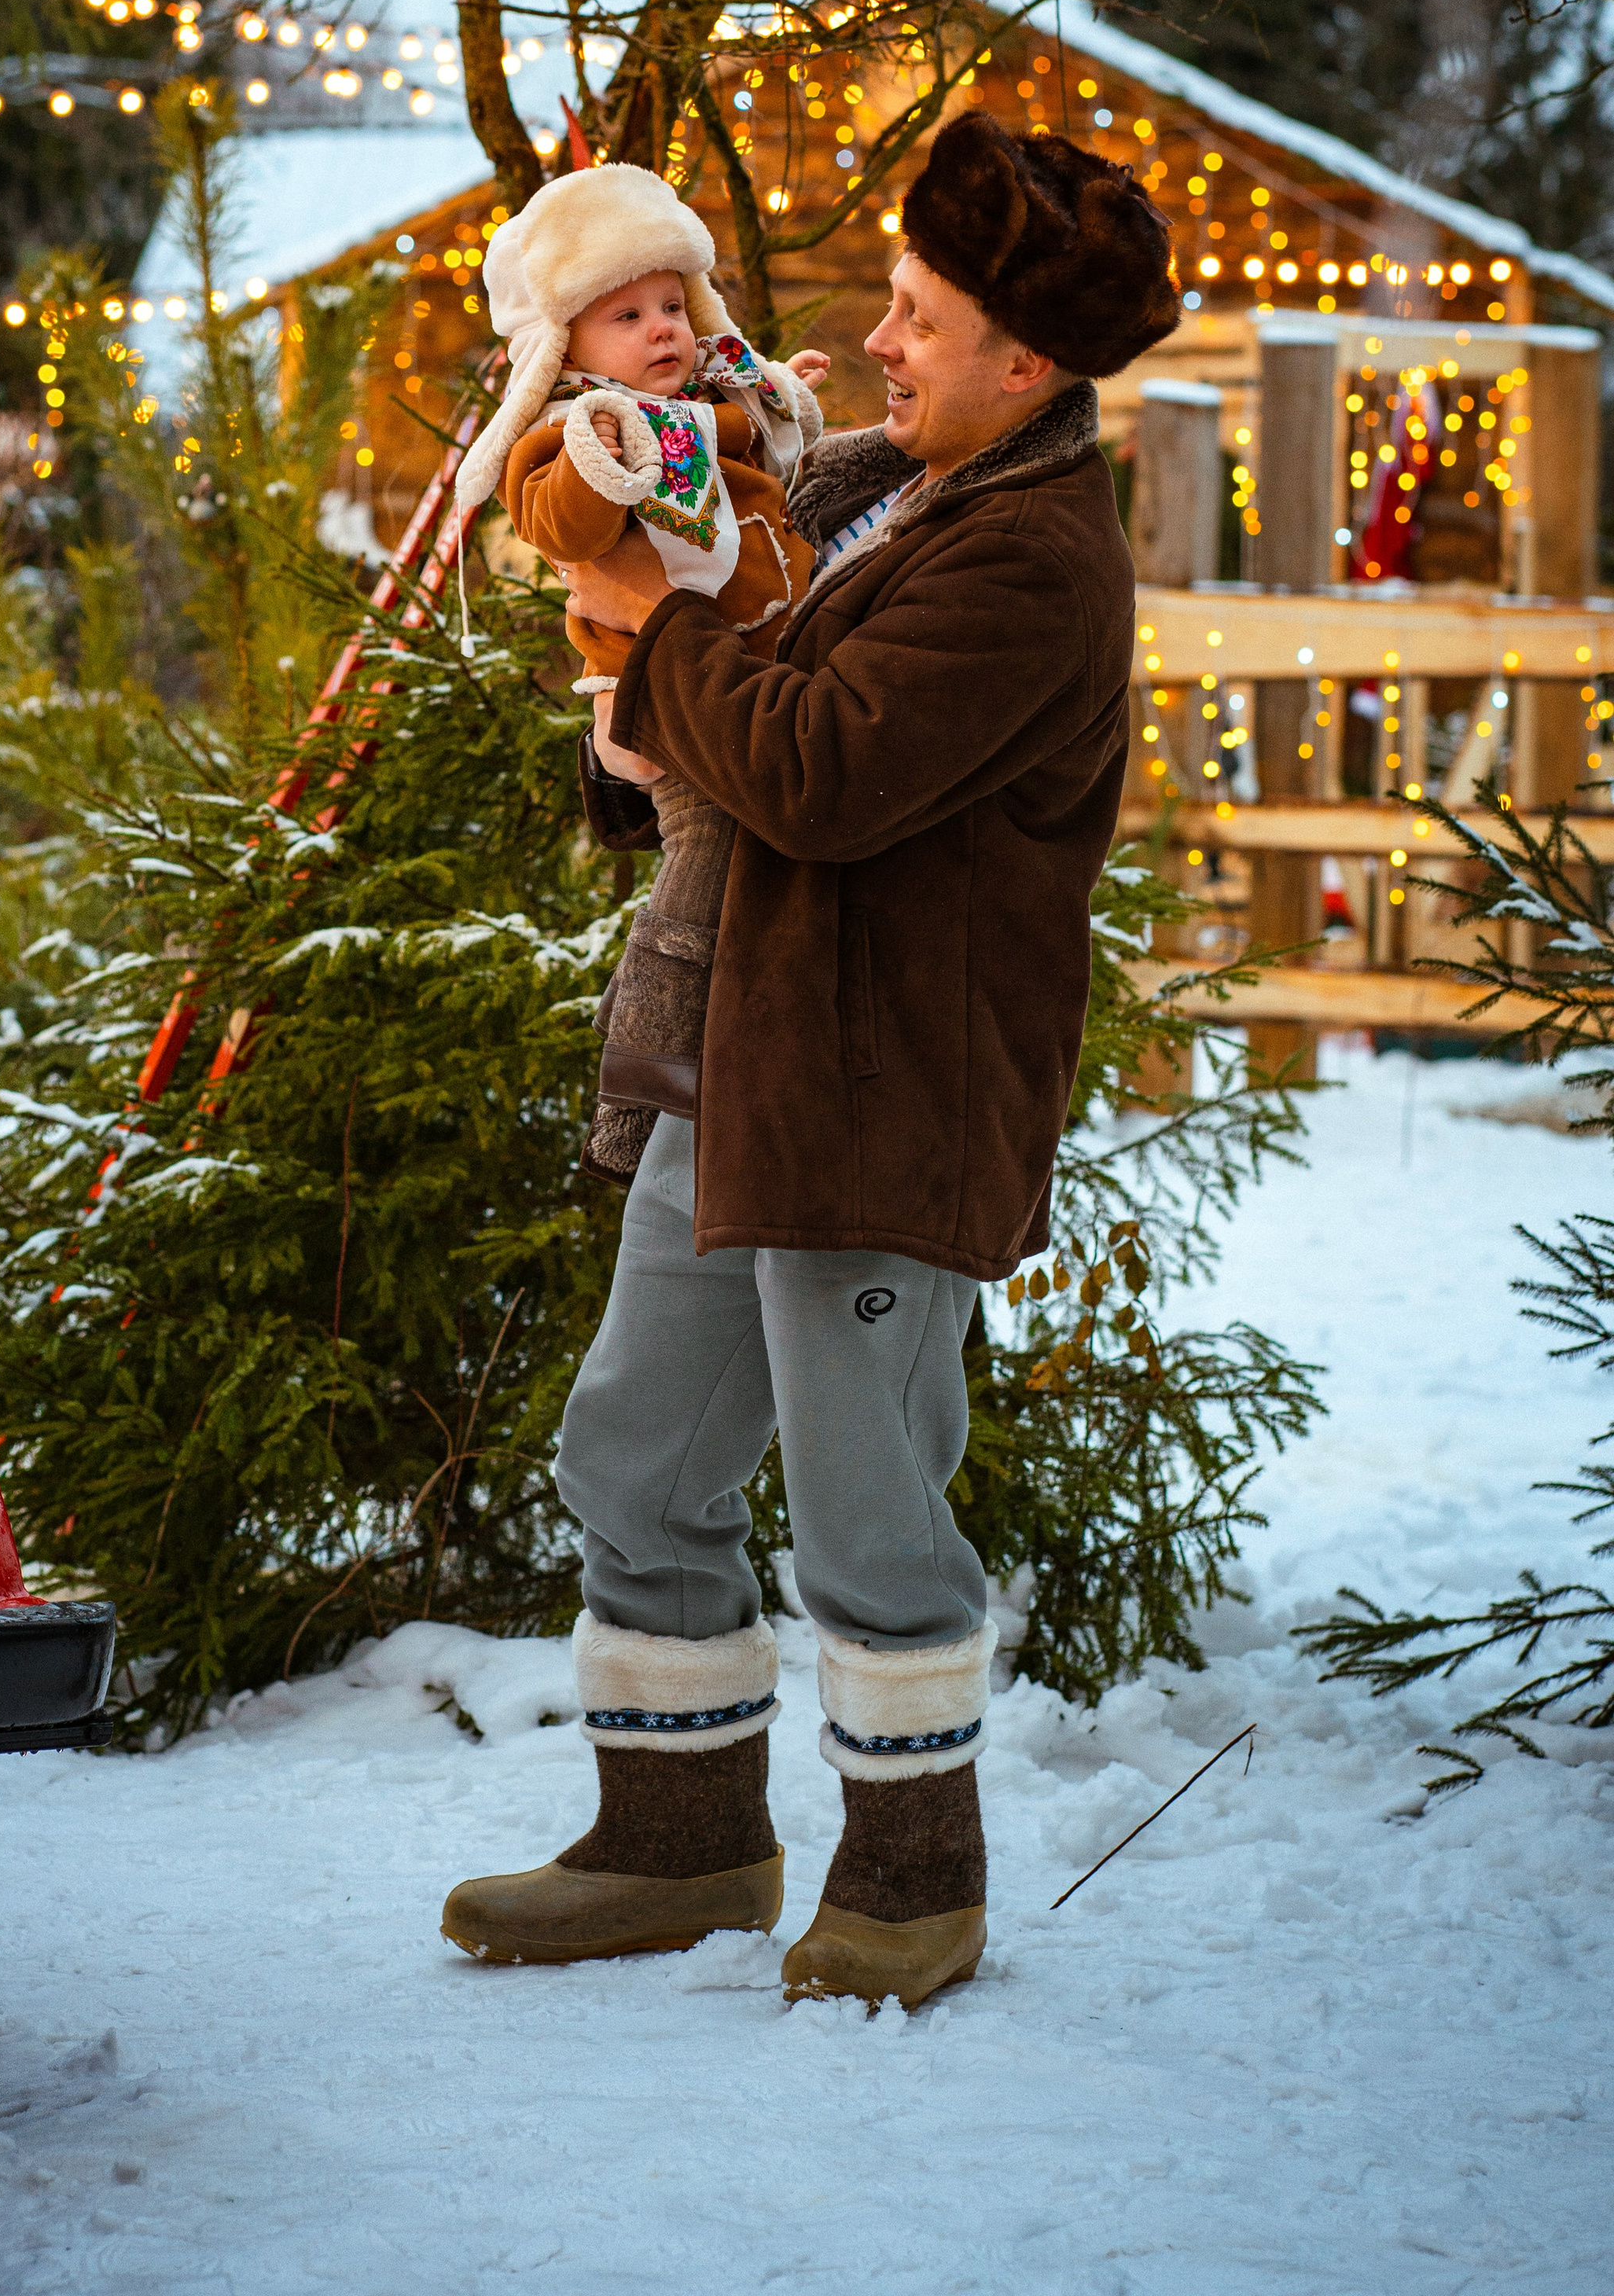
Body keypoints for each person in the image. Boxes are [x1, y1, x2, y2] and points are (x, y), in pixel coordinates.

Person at [441, 108, 1178, 2010]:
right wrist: (637, 676)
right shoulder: (875, 491)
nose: (873, 340)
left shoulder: (1029, 558)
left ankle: (910, 1876)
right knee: (632, 1457)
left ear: (1024, 361)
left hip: (880, 1095)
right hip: (741, 1057)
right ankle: (675, 1842)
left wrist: (648, 627)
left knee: (865, 1509)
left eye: (917, 318)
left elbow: (828, 771)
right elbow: (728, 704)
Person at [454, 163, 826, 1182]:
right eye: (626, 314)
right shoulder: (575, 432)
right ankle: (634, 1127)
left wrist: (788, 393)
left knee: (717, 898)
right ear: (566, 342)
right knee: (696, 901)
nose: (662, 328)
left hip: (742, 692)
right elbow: (556, 521)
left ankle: (672, 1067)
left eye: (672, 303)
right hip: (666, 705)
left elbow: (767, 479)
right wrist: (597, 455)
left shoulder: (706, 418)